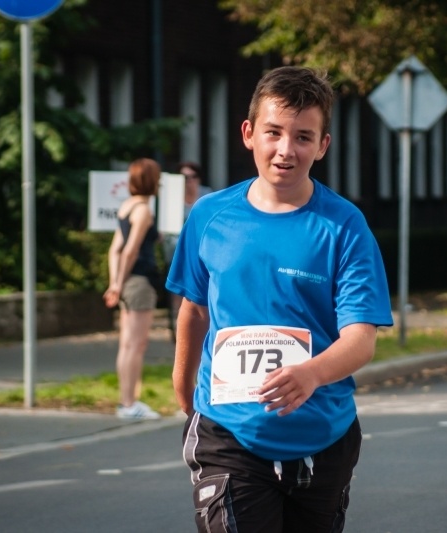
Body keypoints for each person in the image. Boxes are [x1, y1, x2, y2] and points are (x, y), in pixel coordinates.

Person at [166, 66, 393, 532]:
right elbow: (194, 307)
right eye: (274, 132)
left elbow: (361, 339)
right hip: (228, 435)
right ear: (249, 133)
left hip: (322, 437)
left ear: (323, 145)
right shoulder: (209, 215)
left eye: (303, 137)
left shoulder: (344, 227)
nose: (286, 150)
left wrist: (311, 374)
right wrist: (182, 380)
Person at [103, 158, 163, 420]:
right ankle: (130, 404)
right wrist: (117, 283)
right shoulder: (144, 211)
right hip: (140, 281)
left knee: (126, 345)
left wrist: (115, 282)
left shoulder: (127, 207)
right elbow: (131, 250)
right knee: (136, 345)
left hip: (128, 282)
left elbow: (114, 249)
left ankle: (126, 402)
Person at [163, 162, 214, 342]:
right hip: (177, 252)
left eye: (193, 177)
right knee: (179, 296)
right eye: (184, 177)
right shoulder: (170, 199)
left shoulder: (207, 197)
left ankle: (202, 334)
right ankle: (180, 334)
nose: (189, 181)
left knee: (201, 296)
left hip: (203, 254)